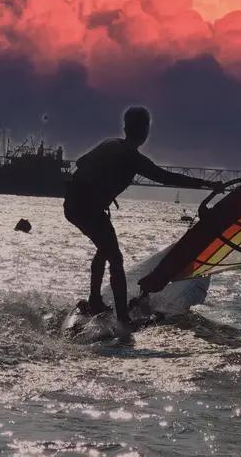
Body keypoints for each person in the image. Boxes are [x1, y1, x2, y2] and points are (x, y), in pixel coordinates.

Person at [64, 106, 222, 326]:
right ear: (145, 131)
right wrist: (205, 183)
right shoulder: (133, 158)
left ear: (125, 127)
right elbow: (165, 178)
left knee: (104, 249)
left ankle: (95, 299)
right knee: (115, 259)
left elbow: (81, 164)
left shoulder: (110, 143)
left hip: (75, 205)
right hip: (88, 209)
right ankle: (122, 318)